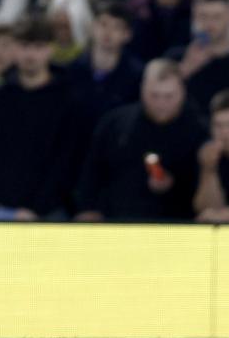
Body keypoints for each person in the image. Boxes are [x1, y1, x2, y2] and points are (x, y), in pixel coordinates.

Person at [0, 16, 83, 221]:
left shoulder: (69, 102)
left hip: (53, 212)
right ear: (14, 48)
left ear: (50, 49)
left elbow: (69, 161)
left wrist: (39, 208)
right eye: (24, 45)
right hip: (1, 209)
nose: (30, 54)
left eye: (38, 46)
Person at [75, 59, 206, 222]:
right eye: (154, 95)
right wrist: (87, 208)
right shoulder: (115, 123)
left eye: (169, 96)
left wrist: (174, 183)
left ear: (182, 92)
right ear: (142, 89)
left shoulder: (199, 130)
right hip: (116, 219)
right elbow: (92, 171)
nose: (161, 103)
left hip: (176, 224)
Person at [66, 0, 145, 125]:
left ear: (127, 34)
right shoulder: (72, 70)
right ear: (92, 27)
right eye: (103, 24)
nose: (108, 32)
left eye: (117, 27)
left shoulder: (137, 75)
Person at [165, 0, 229, 116]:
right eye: (203, 16)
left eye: (217, 17)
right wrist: (185, 69)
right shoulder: (175, 57)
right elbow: (154, 99)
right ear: (194, 17)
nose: (209, 23)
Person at [194, 89, 229, 223]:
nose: (224, 132)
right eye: (218, 125)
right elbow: (207, 211)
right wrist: (208, 170)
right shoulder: (207, 154)